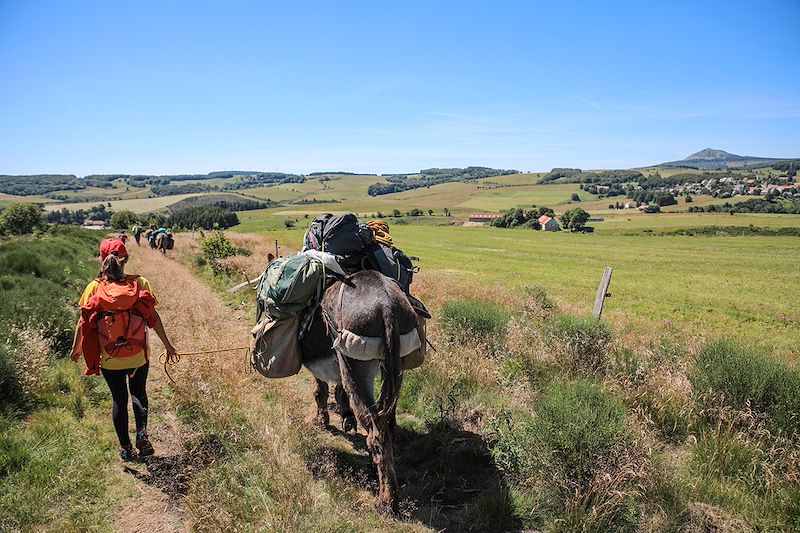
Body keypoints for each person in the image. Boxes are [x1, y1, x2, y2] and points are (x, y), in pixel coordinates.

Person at [70, 238, 177, 461]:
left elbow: (83, 323)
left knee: (119, 399)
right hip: (138, 357)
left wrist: (76, 350)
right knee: (139, 393)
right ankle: (142, 435)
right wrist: (168, 345)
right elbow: (153, 318)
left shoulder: (94, 288)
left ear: (101, 259)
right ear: (125, 259)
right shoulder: (140, 284)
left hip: (110, 359)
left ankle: (126, 449)